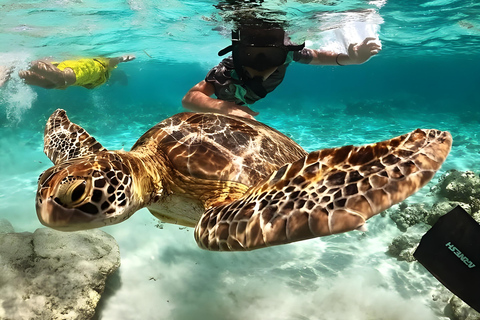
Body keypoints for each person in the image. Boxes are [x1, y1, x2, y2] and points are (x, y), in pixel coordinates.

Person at [182, 23, 381, 119]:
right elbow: (190, 97)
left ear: (283, 54)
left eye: (271, 56)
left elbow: (319, 56)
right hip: (229, 101)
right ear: (239, 55)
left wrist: (352, 59)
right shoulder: (226, 72)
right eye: (250, 56)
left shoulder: (288, 54)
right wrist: (225, 108)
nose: (260, 66)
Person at [0, 55, 135, 89]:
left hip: (81, 72)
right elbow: (111, 62)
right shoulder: (103, 70)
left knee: (49, 84)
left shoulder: (104, 77)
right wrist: (121, 59)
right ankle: (23, 61)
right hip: (88, 68)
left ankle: (15, 70)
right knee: (60, 79)